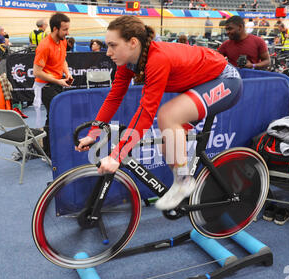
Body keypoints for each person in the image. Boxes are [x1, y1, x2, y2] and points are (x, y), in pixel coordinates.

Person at [75, 16, 243, 211]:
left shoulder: (157, 58)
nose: (108, 52)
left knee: (167, 116)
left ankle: (184, 183)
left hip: (226, 80)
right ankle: (184, 183)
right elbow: (114, 97)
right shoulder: (128, 62)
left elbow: (146, 111)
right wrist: (93, 133)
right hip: (201, 84)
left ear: (133, 43)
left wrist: (116, 156)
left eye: (113, 45)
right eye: (107, 45)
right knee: (167, 142)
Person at [33, 12, 74, 159]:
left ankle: (52, 148)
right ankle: (49, 153)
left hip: (57, 83)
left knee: (56, 116)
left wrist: (67, 74)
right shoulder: (44, 46)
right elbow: (37, 72)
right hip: (45, 86)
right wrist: (58, 81)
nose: (67, 32)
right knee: (55, 116)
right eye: (65, 29)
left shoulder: (62, 41)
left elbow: (63, 60)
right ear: (55, 29)